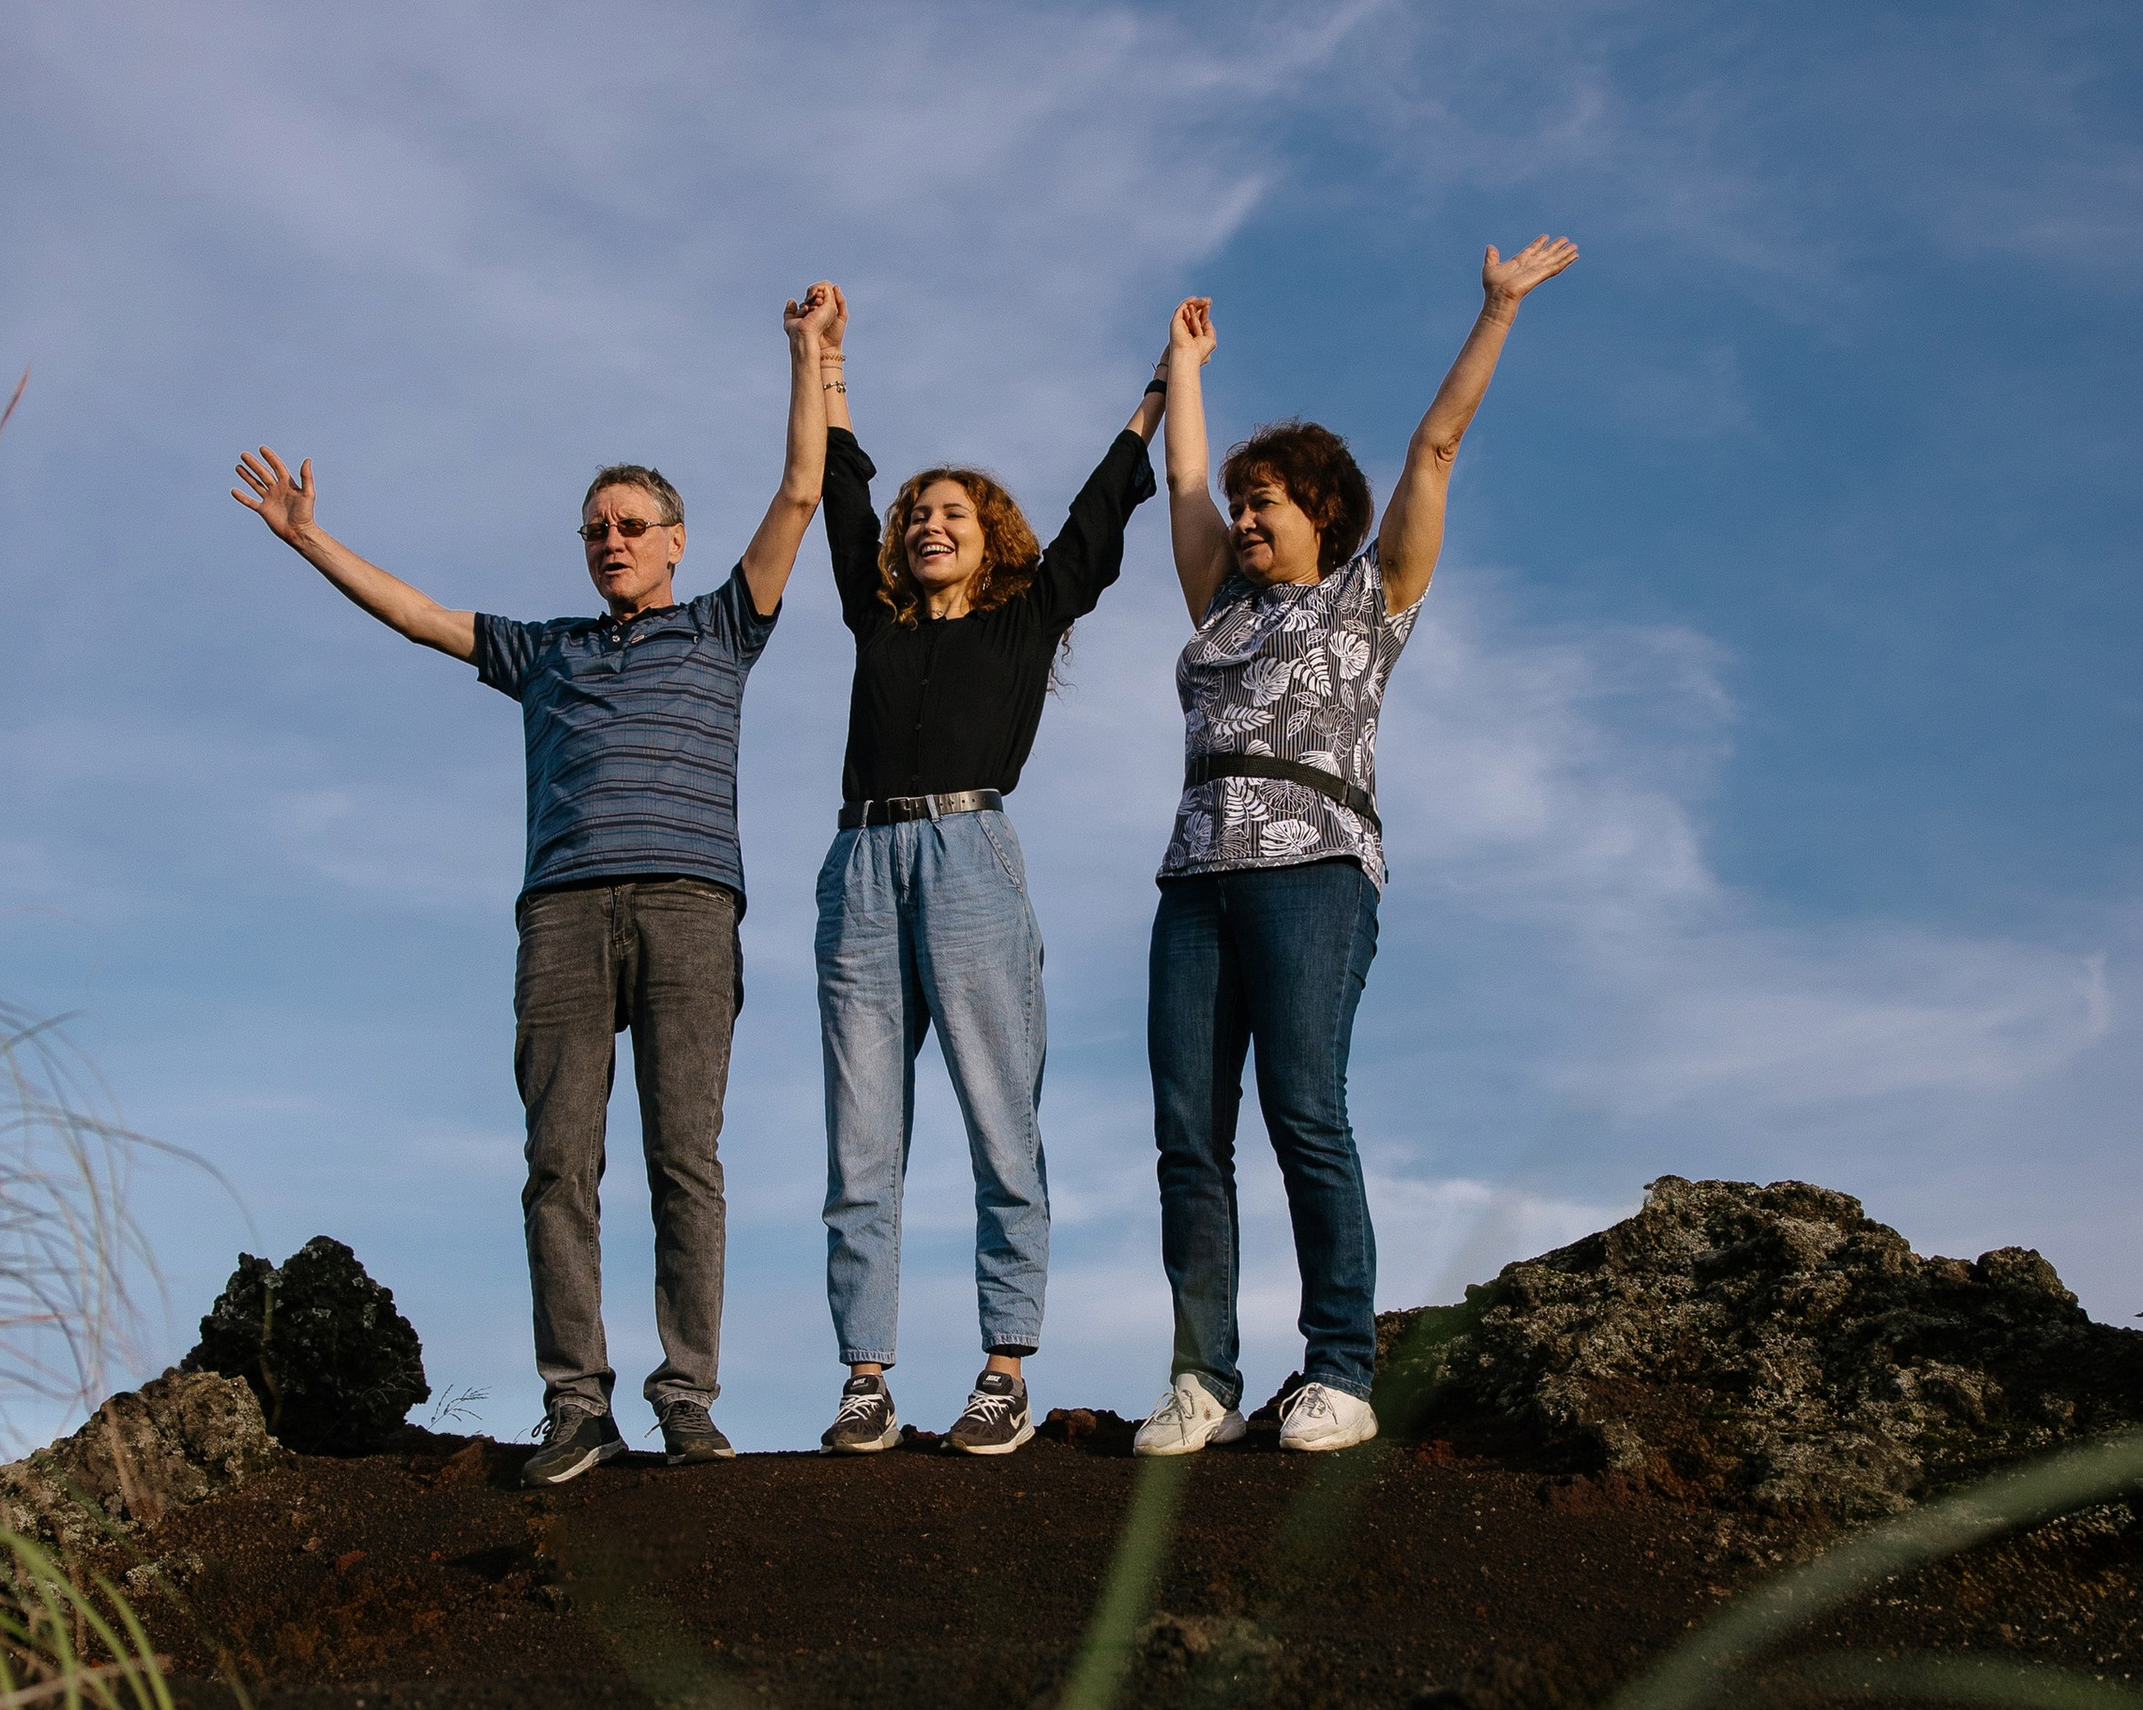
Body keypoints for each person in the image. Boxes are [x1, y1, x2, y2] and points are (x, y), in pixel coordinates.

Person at [231, 291, 836, 1484]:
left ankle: (687, 1399)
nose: (609, 540)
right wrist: (309, 540)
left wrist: (806, 356)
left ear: (673, 539)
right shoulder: (545, 649)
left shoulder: (722, 626)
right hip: (561, 915)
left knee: (685, 1161)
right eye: (592, 528)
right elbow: (419, 618)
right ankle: (576, 1404)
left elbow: (800, 495)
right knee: (560, 1162)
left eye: (630, 524)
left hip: (687, 907)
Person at [1133, 239, 1579, 1459]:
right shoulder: (1220, 601)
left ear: (1318, 508)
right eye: (1241, 502)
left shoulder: (1371, 593)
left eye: (1262, 500)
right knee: (1187, 1129)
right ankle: (1201, 1381)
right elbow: (1181, 484)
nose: (1241, 516)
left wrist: (1492, 311)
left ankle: (1338, 1367)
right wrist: (1184, 367)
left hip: (1314, 869)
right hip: (1195, 879)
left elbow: (1434, 445)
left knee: (1302, 1111)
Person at [812, 306, 1163, 1457]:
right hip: (860, 865)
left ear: (989, 536)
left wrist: (1157, 397)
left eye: (950, 514)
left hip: (970, 862)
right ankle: (866, 1375)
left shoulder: (1026, 618)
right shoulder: (873, 618)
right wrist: (826, 365)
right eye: (917, 515)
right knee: (862, 1137)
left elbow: (1098, 519)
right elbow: (842, 489)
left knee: (999, 1121)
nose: (924, 525)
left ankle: (1004, 1365)